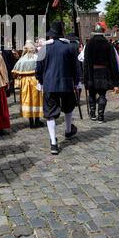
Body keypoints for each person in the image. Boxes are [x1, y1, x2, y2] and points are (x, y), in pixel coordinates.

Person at [36, 20, 79, 155]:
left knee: (50, 113)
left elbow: (39, 68)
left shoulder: (44, 48)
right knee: (68, 108)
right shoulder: (70, 47)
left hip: (49, 84)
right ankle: (67, 130)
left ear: (51, 35)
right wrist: (77, 82)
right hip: (66, 84)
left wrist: (40, 81)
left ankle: (53, 143)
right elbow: (76, 68)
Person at [83, 22, 119, 122]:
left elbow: (86, 62)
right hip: (104, 72)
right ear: (103, 32)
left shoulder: (89, 44)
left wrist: (85, 76)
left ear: (94, 32)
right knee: (102, 94)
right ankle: (101, 116)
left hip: (92, 72)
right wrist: (116, 79)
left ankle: (92, 114)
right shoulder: (108, 44)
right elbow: (113, 62)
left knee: (91, 93)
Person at [12, 40, 44, 128]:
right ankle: (37, 121)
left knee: (28, 100)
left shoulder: (22, 59)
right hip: (35, 80)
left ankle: (31, 122)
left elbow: (15, 72)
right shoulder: (37, 58)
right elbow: (42, 69)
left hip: (25, 82)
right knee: (37, 100)